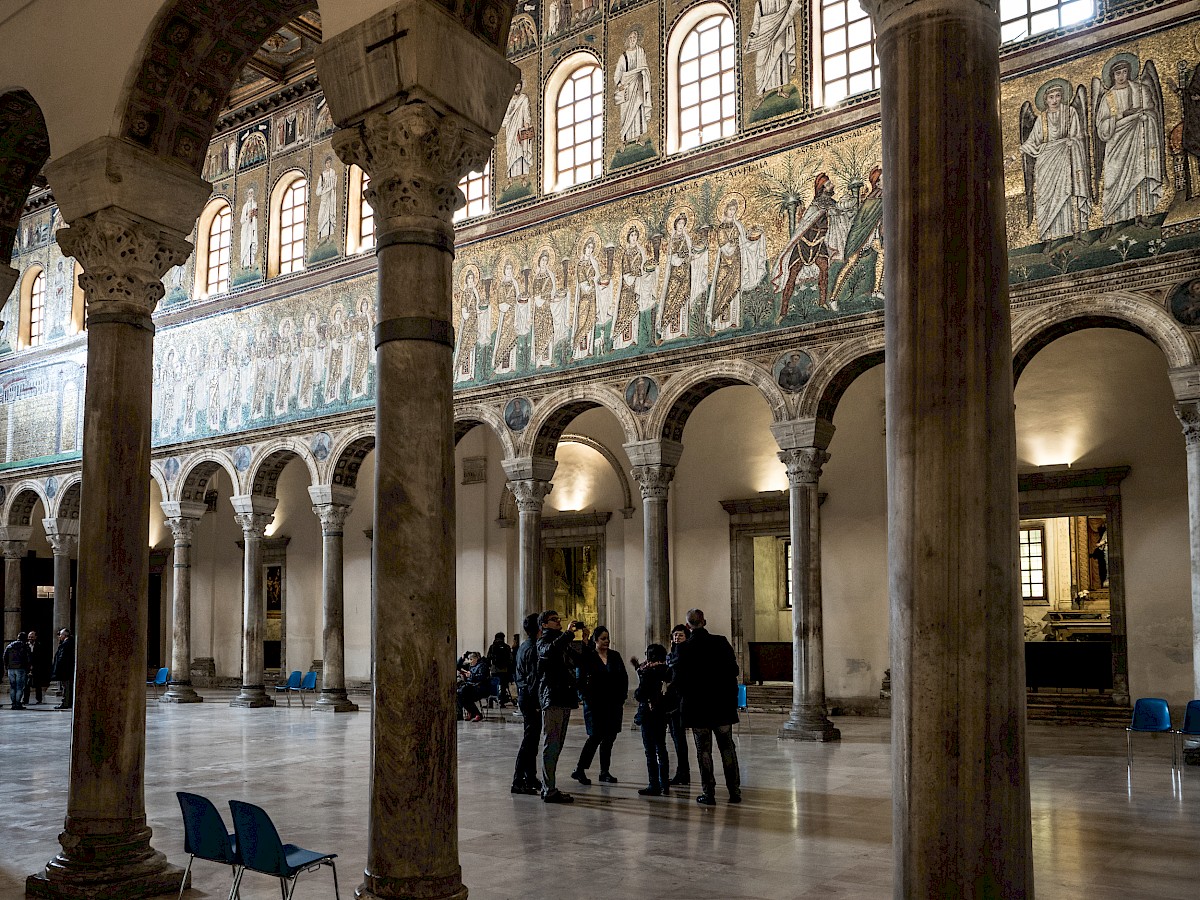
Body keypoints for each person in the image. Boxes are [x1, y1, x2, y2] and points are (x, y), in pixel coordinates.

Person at [672, 608, 742, 805]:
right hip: (722, 705)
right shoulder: (720, 642)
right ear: (705, 621)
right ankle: (734, 791)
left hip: (698, 707)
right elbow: (734, 670)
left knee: (703, 751)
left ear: (688, 626)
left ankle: (709, 793)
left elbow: (678, 680)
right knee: (727, 748)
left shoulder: (684, 648)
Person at [1094, 56, 1163, 225]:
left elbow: (1152, 112)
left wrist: (1143, 116)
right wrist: (1121, 116)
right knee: (1113, 179)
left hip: (1139, 139)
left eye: (1125, 72)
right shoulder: (1107, 98)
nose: (1121, 76)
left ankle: (1141, 215)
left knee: (1139, 173)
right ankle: (1115, 221)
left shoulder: (1141, 90)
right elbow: (1101, 127)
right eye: (1118, 73)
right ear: (1112, 75)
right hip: (1116, 143)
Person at [1020, 81, 1091, 241]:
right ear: (1045, 100)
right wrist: (1022, 149)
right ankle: (1049, 238)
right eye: (1051, 97)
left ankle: (1076, 234)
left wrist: (1071, 142)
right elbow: (1033, 141)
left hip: (1067, 160)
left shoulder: (1070, 112)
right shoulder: (1042, 120)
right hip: (1047, 164)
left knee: (1069, 193)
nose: (1055, 100)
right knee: (1047, 198)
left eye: (1058, 96)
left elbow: (1078, 136)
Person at [536, 610, 591, 803]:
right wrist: (567, 634)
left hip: (564, 697)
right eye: (553, 620)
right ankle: (548, 789)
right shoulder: (543, 642)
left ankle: (550, 786)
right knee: (551, 744)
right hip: (552, 698)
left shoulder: (562, 642)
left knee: (557, 744)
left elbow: (580, 662)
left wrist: (585, 641)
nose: (558, 621)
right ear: (543, 625)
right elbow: (549, 652)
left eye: (559, 619)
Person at [571, 625, 628, 786]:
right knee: (595, 737)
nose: (606, 641)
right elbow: (579, 680)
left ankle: (605, 771)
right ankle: (580, 769)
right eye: (603, 638)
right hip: (595, 705)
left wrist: (621, 698)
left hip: (613, 704)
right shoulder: (588, 657)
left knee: (609, 738)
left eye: (608, 638)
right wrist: (585, 698)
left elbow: (623, 678)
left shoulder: (615, 656)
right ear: (595, 640)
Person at [632, 643, 672, 796]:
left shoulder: (649, 673)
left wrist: (641, 675)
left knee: (650, 750)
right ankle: (665, 783)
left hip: (649, 715)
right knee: (661, 748)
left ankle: (654, 784)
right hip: (662, 714)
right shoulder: (668, 671)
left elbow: (640, 694)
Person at [512, 614, 543, 795]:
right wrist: (537, 702)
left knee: (532, 740)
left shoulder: (525, 645)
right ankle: (518, 780)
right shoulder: (532, 648)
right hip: (531, 699)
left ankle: (530, 777)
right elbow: (532, 679)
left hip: (526, 696)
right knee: (529, 740)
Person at [666, 624, 691, 786]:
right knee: (676, 738)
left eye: (680, 635)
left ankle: (683, 773)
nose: (677, 638)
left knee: (679, 738)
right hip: (672, 700)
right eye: (675, 635)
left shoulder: (685, 654)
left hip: (681, 701)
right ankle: (682, 772)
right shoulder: (672, 654)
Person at [456, 652, 490, 722]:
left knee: (463, 694)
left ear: (476, 659)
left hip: (480, 687)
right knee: (460, 694)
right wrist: (462, 658)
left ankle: (475, 713)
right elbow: (457, 666)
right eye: (469, 659)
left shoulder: (482, 666)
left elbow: (482, 677)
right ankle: (473, 713)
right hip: (471, 686)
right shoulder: (471, 665)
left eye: (471, 659)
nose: (470, 661)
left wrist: (471, 675)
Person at [4, 630, 31, 709]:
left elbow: (5, 656)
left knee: (12, 686)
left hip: (11, 668)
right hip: (20, 668)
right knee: (19, 686)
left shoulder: (10, 646)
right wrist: (28, 668)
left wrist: (6, 666)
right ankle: (18, 703)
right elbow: (28, 658)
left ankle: (13, 703)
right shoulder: (25, 646)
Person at [486, 631, 514, 707]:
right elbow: (510, 659)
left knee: (493, 685)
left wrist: (488, 667)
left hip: (494, 669)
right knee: (503, 686)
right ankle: (502, 702)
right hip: (504, 670)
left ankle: (490, 703)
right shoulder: (507, 647)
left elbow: (488, 658)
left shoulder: (492, 646)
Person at [23, 630, 50, 705]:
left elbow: (42, 657)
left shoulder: (39, 645)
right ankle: (25, 700)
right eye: (29, 637)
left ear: (35, 637)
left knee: (38, 684)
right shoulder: (25, 646)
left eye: (32, 637)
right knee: (26, 685)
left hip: (37, 667)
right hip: (27, 668)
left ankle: (39, 699)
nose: (30, 638)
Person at [51, 628, 73, 709]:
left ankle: (65, 703)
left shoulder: (65, 644)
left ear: (64, 635)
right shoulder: (69, 643)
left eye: (60, 635)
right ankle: (68, 702)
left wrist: (57, 669)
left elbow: (62, 658)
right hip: (68, 670)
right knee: (67, 687)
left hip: (65, 671)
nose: (59, 636)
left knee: (66, 687)